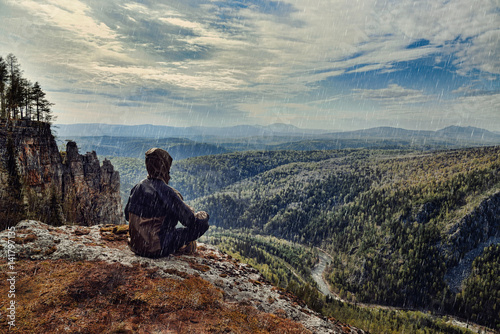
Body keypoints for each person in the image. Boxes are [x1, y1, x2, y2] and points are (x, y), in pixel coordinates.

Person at [124, 148, 209, 258]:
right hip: (157, 248)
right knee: (202, 224)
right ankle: (184, 245)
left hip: (135, 246)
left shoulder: (137, 187)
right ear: (165, 167)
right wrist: (203, 217)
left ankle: (167, 241)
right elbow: (190, 221)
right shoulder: (166, 192)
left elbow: (127, 216)